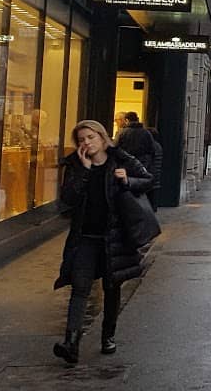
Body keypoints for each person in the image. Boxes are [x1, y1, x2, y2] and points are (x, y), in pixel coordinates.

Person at [52, 120, 160, 364]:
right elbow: (67, 199)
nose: (86, 143)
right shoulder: (76, 166)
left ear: (102, 138)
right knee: (80, 288)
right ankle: (71, 342)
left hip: (114, 236)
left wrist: (127, 181)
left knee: (112, 287)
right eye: (81, 140)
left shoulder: (121, 159)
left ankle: (108, 336)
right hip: (86, 237)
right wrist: (85, 171)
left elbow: (148, 180)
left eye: (90, 137)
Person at [114, 111, 163, 197]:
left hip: (126, 165)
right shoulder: (146, 133)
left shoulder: (122, 133)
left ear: (126, 120)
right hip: (143, 165)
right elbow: (152, 150)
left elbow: (115, 148)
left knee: (126, 187)